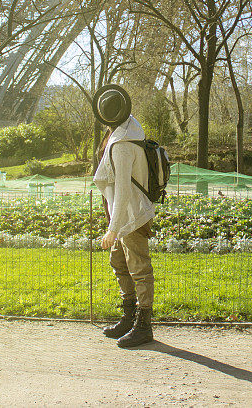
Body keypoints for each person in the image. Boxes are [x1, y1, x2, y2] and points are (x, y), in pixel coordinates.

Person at [92, 84, 155, 348]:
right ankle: (129, 317)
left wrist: (113, 228)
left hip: (132, 215)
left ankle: (144, 325)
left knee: (138, 267)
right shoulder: (126, 129)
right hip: (124, 213)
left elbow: (123, 189)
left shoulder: (122, 145)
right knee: (119, 262)